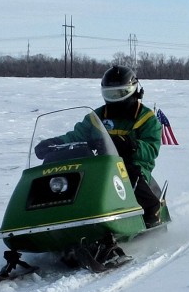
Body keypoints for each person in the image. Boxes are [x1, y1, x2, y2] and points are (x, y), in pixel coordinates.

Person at [35, 65, 162, 227]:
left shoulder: (147, 118)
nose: (114, 98)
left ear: (132, 91)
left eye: (119, 93)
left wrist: (130, 144)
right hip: (97, 164)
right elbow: (76, 136)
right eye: (110, 94)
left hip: (133, 164)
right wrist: (54, 143)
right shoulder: (96, 117)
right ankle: (51, 213)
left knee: (128, 172)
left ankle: (152, 212)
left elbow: (151, 149)